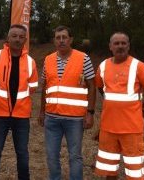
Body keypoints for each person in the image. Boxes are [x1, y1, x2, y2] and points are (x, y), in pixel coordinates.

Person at [93, 32, 144, 180]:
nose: (120, 46)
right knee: (109, 171)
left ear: (129, 46)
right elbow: (99, 87)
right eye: (116, 43)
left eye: (124, 43)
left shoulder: (139, 66)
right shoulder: (103, 66)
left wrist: (142, 109)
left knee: (134, 173)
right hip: (108, 129)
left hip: (132, 130)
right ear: (110, 46)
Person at [38, 26, 95, 180]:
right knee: (51, 156)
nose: (61, 40)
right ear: (54, 40)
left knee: (75, 157)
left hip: (75, 119)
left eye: (64, 37)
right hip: (52, 118)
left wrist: (90, 113)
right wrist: (42, 111)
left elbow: (92, 85)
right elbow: (45, 87)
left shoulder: (83, 58)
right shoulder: (48, 59)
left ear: (71, 39)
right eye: (58, 37)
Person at [0, 24, 38, 180]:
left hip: (21, 115)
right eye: (14, 36)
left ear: (25, 40)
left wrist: (21, 101)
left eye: (21, 37)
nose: (17, 39)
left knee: (22, 153)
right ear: (8, 38)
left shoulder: (30, 62)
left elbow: (33, 86)